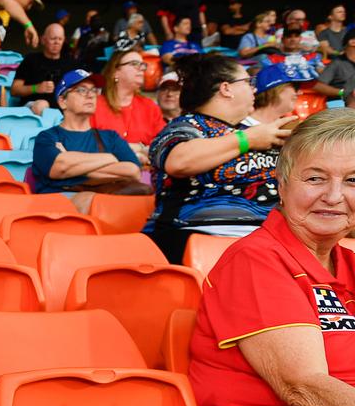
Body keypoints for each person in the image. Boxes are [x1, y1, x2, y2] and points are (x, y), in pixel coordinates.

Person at [188, 109, 355, 406]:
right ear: (281, 185)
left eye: (351, 181)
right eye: (315, 178)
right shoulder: (257, 259)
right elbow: (304, 386)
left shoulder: (347, 263)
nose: (333, 196)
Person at [146, 53, 293, 262]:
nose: (254, 89)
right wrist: (248, 139)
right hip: (197, 237)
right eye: (248, 82)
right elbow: (179, 161)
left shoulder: (257, 132)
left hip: (267, 239)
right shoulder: (187, 126)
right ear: (226, 88)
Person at [33, 69, 147, 211]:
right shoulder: (48, 137)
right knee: (95, 202)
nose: (90, 95)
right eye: (81, 90)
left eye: (94, 90)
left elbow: (132, 171)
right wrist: (113, 158)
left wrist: (73, 168)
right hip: (57, 204)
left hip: (104, 199)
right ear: (62, 101)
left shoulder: (110, 137)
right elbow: (60, 168)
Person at [92, 46, 166, 161]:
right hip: (104, 171)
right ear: (115, 72)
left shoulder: (150, 106)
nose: (141, 69)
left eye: (142, 65)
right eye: (134, 64)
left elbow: (163, 144)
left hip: (145, 173)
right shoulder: (94, 104)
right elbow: (87, 144)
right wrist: (138, 148)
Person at [12, 22, 75, 116]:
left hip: (61, 110)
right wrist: (36, 88)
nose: (56, 42)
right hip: (33, 109)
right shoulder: (31, 59)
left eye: (60, 39)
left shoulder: (70, 63)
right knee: (41, 105)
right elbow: (15, 90)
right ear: (43, 40)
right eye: (53, 38)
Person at [245, 63, 314, 126]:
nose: (300, 92)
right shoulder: (240, 131)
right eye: (296, 87)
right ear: (275, 89)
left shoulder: (284, 127)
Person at [314, 27, 355, 104]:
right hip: (339, 104)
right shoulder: (337, 63)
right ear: (352, 42)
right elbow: (318, 86)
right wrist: (342, 92)